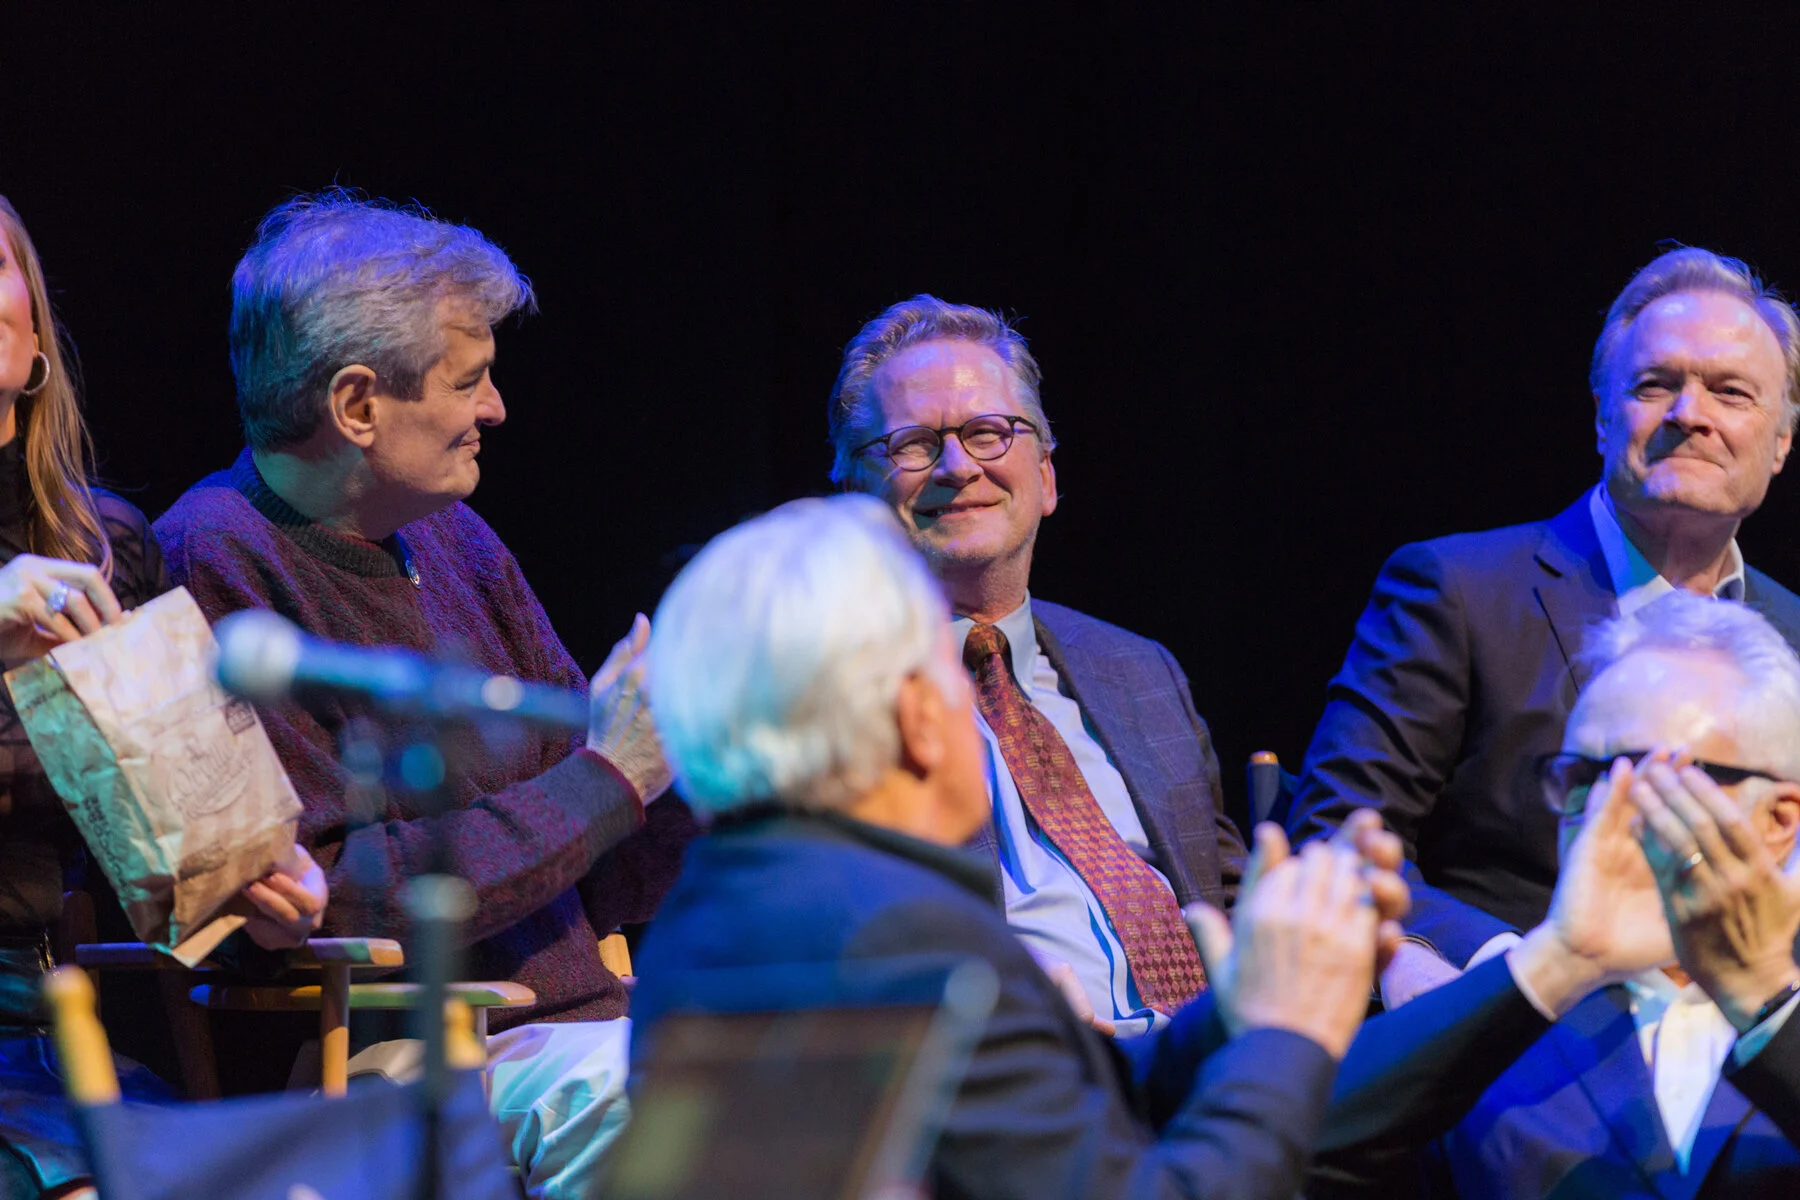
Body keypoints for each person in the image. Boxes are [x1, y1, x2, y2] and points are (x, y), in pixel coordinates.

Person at [626, 495, 1683, 1198]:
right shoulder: (895, 937)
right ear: (915, 719)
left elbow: (1060, 1112)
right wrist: (1285, 1029)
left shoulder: (728, 909)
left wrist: (1232, 1013)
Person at [152, 191, 695, 1200]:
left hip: (567, 1037)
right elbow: (330, 890)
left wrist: (706, 764)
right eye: (470, 380)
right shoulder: (210, 559)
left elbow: (597, 847)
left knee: (824, 1073)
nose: (497, 410)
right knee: (685, 1120)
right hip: (389, 1051)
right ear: (358, 406)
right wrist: (613, 777)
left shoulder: (453, 536)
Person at [1286, 247, 1800, 1007]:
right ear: (1601, 417)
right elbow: (1337, 832)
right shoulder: (1458, 591)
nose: (1689, 415)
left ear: (1781, 440)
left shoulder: (1794, 637)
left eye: (1730, 392)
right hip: (1518, 1036)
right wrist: (1511, 972)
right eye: (1655, 385)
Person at [0, 197, 327, 1200]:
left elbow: (174, 838)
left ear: (34, 327)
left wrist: (262, 899)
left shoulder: (99, 546)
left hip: (36, 1029)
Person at [829, 294, 1246, 1036]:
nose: (959, 466)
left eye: (989, 433)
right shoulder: (814, 695)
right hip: (1017, 1065)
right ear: (855, 495)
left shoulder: (1140, 669)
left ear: (1046, 478)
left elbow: (1231, 892)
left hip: (1219, 1048)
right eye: (913, 445)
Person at [1418, 593, 1800, 1197]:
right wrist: (1557, 960)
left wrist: (1769, 1002)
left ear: (1779, 819)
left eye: (1647, 776)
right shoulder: (1488, 1029)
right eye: (1580, 778)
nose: (1598, 814)